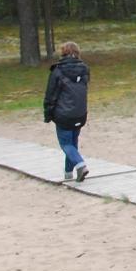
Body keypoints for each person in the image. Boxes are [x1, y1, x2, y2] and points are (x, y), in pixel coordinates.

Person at [42, 41, 91, 182]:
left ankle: (81, 165)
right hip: (80, 113)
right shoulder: (85, 69)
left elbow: (51, 94)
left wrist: (48, 114)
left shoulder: (58, 71)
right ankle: (68, 173)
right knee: (72, 142)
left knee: (65, 144)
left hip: (64, 115)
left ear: (63, 53)